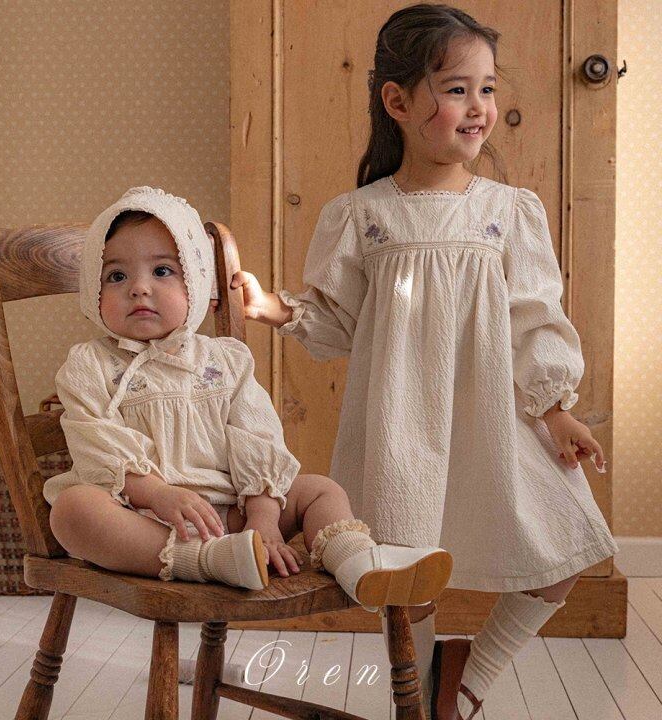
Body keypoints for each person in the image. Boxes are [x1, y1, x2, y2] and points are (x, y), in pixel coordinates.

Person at [230, 4, 618, 718]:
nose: (479, 107)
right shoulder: (363, 215)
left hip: (494, 414)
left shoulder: (509, 211)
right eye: (457, 89)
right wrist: (271, 307)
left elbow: (534, 314)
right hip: (399, 421)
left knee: (569, 538)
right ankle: (430, 695)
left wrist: (557, 407)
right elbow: (339, 321)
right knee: (403, 560)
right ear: (399, 102)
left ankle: (469, 676)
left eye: (488, 89)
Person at [44, 185, 453, 624]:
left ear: (198, 286)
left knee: (320, 490)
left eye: (162, 271)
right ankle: (207, 559)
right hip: (145, 520)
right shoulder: (89, 365)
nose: (139, 289)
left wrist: (263, 518)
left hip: (239, 515)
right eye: (116, 277)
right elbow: (96, 444)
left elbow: (256, 438)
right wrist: (158, 494)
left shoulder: (225, 360)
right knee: (72, 511)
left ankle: (356, 561)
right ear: (92, 293)